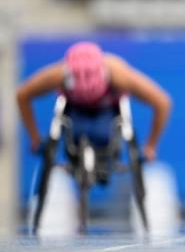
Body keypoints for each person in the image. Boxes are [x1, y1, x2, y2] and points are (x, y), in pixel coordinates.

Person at [16, 41, 172, 163]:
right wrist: (35, 137)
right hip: (74, 110)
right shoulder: (57, 74)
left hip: (108, 110)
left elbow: (162, 102)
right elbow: (22, 95)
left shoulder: (119, 74)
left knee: (102, 135)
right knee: (74, 137)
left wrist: (151, 145)